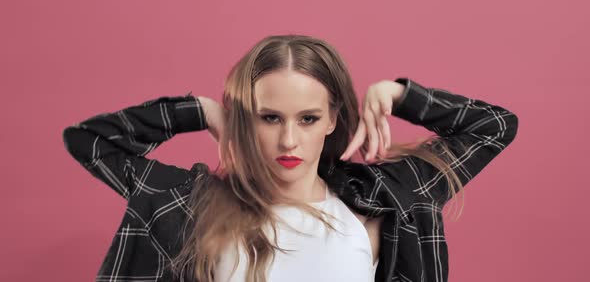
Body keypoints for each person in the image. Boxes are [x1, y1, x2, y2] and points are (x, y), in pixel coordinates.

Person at [62, 34, 519, 282]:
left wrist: (401, 96)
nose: (287, 141)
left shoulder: (379, 209)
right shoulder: (189, 206)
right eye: (269, 117)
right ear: (246, 118)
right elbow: (89, 141)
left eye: (307, 118)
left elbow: (494, 126)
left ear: (331, 119)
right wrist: (199, 110)